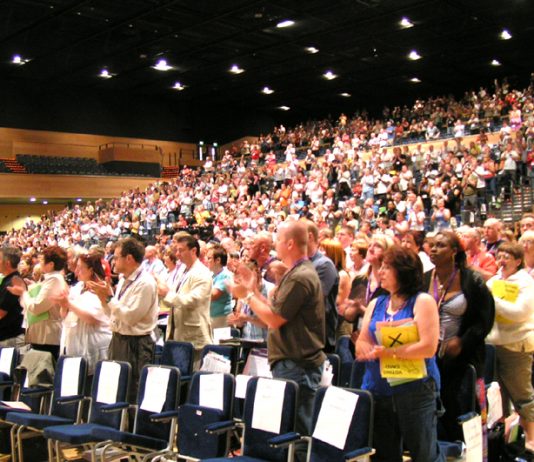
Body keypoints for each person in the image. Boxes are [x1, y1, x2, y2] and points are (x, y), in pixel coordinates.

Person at [228, 220, 325, 454]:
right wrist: (252, 288)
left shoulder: (301, 276)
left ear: (290, 243)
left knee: (298, 436)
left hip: (298, 364)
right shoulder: (295, 273)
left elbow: (273, 319)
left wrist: (248, 295)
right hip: (291, 362)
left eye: (278, 240)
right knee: (288, 432)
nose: (275, 244)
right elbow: (271, 313)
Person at [356, 245, 443, 462]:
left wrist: (388, 353)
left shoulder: (422, 301)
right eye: (381, 267)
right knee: (384, 454)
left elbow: (428, 347)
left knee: (423, 454)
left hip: (415, 389)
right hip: (378, 388)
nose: (380, 271)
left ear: (403, 272)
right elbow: (362, 340)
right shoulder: (376, 303)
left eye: (387, 267)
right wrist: (363, 348)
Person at [425, 230, 495, 444]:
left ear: (454, 251)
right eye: (432, 245)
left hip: (464, 357)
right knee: (435, 411)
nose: (434, 249)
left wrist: (462, 341)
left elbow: (485, 319)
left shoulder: (471, 280)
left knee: (463, 410)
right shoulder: (426, 278)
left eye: (440, 245)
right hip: (431, 356)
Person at [87, 237, 158, 402]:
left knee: (133, 389)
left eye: (116, 257)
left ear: (129, 258)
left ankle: (132, 426)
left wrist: (109, 299)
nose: (113, 262)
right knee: (117, 386)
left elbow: (130, 317)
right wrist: (103, 298)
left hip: (136, 343)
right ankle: (118, 423)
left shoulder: (145, 283)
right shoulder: (123, 281)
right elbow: (113, 314)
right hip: (118, 338)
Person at [486, 242, 534, 454]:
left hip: (516, 346)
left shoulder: (525, 282)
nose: (502, 259)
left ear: (517, 261)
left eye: (508, 256)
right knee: (499, 397)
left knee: (522, 395)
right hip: (494, 345)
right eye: (500, 255)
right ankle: (505, 440)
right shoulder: (494, 281)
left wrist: (493, 300)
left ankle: (531, 439)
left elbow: (519, 313)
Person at [159, 233, 212, 369]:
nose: (177, 254)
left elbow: (191, 301)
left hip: (194, 337)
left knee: (191, 379)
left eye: (181, 250)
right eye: (176, 250)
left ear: (193, 250)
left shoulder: (202, 273)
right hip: (177, 334)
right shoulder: (183, 270)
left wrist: (167, 293)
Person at [55, 253, 112, 377]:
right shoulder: (78, 287)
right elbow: (63, 315)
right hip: (73, 342)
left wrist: (68, 304)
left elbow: (92, 319)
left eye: (80, 268)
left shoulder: (101, 288)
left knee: (91, 386)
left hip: (93, 342)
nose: (76, 271)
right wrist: (63, 305)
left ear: (91, 270)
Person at [10, 246, 68, 358]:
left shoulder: (54, 279)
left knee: (43, 371)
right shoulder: (50, 279)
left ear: (51, 264)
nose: (39, 262)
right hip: (42, 334)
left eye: (42, 260)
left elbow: (37, 307)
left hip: (47, 336)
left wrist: (23, 292)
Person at [306, 221, 339, 352]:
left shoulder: (324, 265)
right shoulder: (299, 263)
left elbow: (312, 299)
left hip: (318, 338)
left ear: (309, 237)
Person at [0, 247, 26, 348]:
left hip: (9, 338)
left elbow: (1, 312)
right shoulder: (9, 280)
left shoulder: (13, 282)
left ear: (7, 263)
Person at [206, 244, 233, 329]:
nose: (207, 261)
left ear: (217, 260)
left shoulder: (225, 275)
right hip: (213, 317)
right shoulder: (213, 275)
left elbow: (214, 295)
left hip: (221, 319)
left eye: (209, 258)